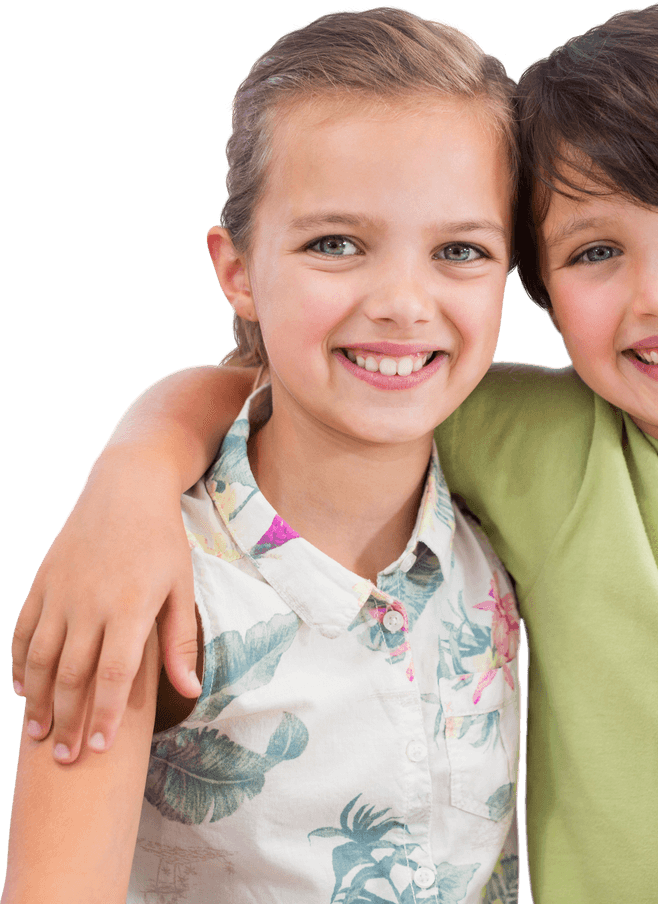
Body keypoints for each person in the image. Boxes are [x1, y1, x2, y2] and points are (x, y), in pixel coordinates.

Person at [7, 3, 658, 903]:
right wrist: (133, 473)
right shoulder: (531, 445)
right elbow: (295, 378)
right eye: (598, 250)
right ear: (543, 288)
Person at [3, 9, 523, 903]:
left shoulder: (520, 513)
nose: (404, 301)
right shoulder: (149, 588)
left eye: (459, 251)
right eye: (335, 243)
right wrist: (132, 477)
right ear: (237, 269)